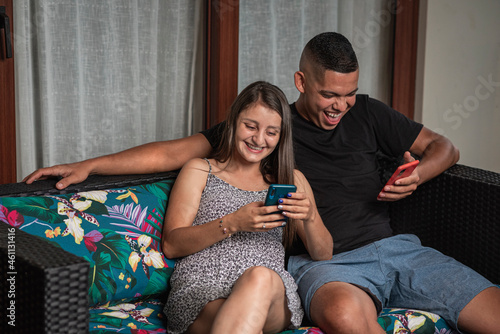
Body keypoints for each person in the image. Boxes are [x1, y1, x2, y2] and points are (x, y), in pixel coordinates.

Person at [24, 32, 500, 333]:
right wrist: (91, 165)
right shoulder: (265, 133)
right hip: (325, 273)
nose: (341, 105)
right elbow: (172, 153)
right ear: (301, 82)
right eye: (330, 94)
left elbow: (444, 148)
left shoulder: (355, 124)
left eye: (349, 95)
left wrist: (417, 173)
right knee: (323, 308)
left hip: (393, 247)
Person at [161, 80, 332, 334]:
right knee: (242, 320)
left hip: (270, 292)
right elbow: (172, 245)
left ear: (281, 136)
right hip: (203, 291)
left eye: (271, 132)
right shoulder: (200, 170)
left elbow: (323, 254)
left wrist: (309, 217)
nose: (259, 139)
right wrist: (233, 223)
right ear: (233, 121)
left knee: (259, 278)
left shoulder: (291, 180)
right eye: (250, 126)